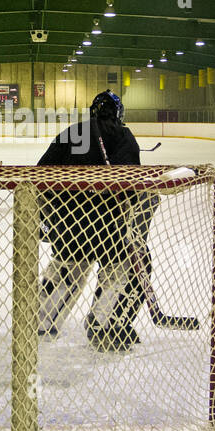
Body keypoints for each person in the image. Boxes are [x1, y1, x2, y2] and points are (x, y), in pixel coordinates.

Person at [36, 90, 147, 353]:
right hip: (111, 229)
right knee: (119, 274)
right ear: (118, 113)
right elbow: (132, 188)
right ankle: (103, 324)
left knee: (66, 275)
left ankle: (40, 323)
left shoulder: (73, 133)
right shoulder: (125, 137)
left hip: (71, 228)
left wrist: (47, 218)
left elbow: (40, 177)